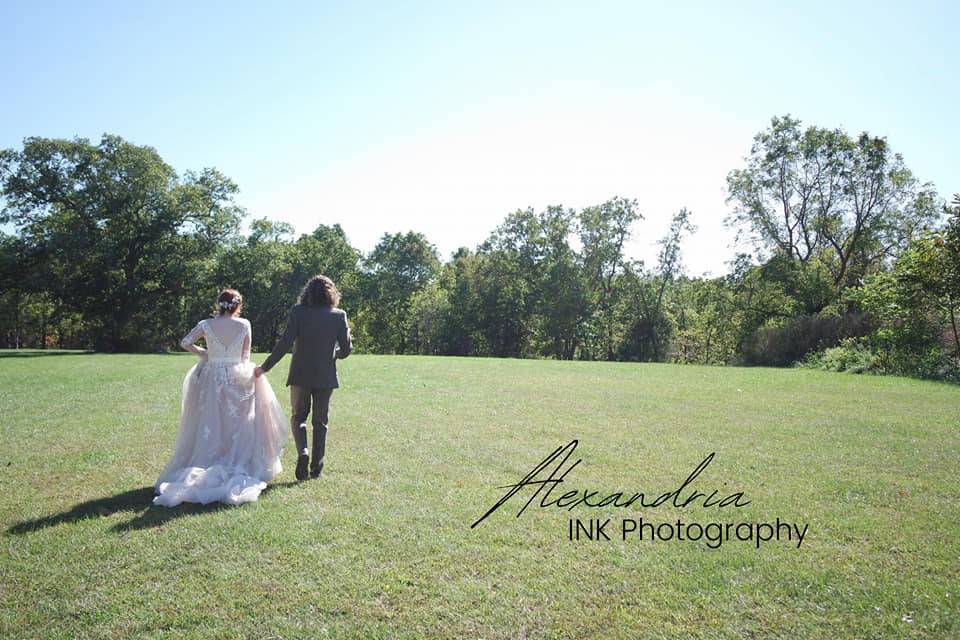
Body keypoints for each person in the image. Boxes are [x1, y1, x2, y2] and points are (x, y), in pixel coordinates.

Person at [154, 289, 288, 506]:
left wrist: (205, 354)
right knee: (237, 423)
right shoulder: (244, 324)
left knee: (210, 421)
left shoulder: (206, 324)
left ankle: (210, 459)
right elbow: (245, 356)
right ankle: (234, 459)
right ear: (237, 306)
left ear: (219, 305)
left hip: (211, 376)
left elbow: (185, 342)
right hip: (238, 375)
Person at [255, 275, 352, 481]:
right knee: (320, 422)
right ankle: (316, 467)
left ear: (307, 292)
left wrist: (266, 366)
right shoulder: (339, 315)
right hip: (326, 376)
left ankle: (303, 453)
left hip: (300, 374)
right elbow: (346, 349)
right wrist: (333, 354)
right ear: (331, 293)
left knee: (299, 417)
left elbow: (284, 343)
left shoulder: (298, 312)